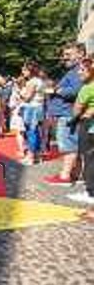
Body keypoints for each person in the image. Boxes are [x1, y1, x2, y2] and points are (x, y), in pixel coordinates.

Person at [43, 43, 85, 185]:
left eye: (68, 54)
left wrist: (55, 90)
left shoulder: (78, 71)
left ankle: (65, 176)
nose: (64, 58)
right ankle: (75, 173)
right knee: (73, 145)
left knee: (68, 146)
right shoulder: (74, 70)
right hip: (68, 113)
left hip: (68, 114)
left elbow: (76, 91)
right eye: (64, 54)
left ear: (80, 54)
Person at [67, 57, 94, 205]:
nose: (79, 72)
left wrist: (80, 115)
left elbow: (76, 110)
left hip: (89, 126)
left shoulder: (87, 88)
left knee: (89, 158)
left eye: (83, 69)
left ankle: (91, 192)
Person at [19, 61, 46, 165]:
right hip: (38, 107)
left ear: (30, 71)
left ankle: (31, 156)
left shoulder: (32, 82)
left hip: (31, 108)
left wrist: (20, 93)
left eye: (24, 70)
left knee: (31, 132)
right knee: (36, 132)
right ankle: (38, 156)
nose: (22, 72)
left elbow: (27, 98)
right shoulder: (40, 81)